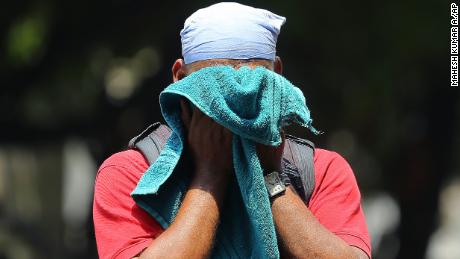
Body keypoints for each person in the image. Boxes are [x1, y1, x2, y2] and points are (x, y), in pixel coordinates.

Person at [93, 3, 371, 259]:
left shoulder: (320, 170)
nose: (231, 107)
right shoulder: (131, 174)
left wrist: (269, 175)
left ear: (277, 75)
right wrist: (210, 175)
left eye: (249, 86)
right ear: (179, 77)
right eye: (215, 87)